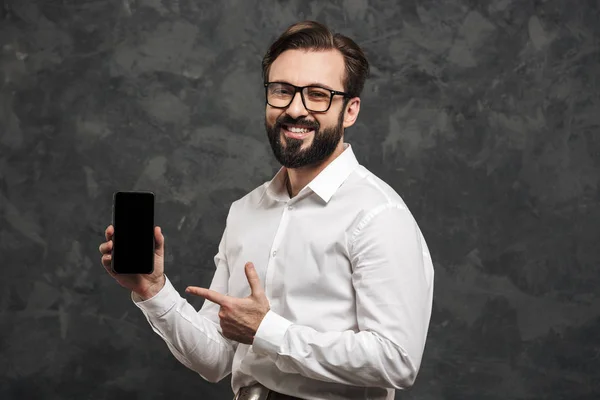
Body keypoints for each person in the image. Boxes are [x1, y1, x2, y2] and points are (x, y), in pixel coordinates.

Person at [99, 20, 434, 400]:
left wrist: (267, 331)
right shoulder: (245, 211)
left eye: (318, 95)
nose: (296, 108)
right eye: (282, 91)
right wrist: (153, 290)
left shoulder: (377, 215)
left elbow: (398, 359)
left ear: (350, 110)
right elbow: (217, 359)